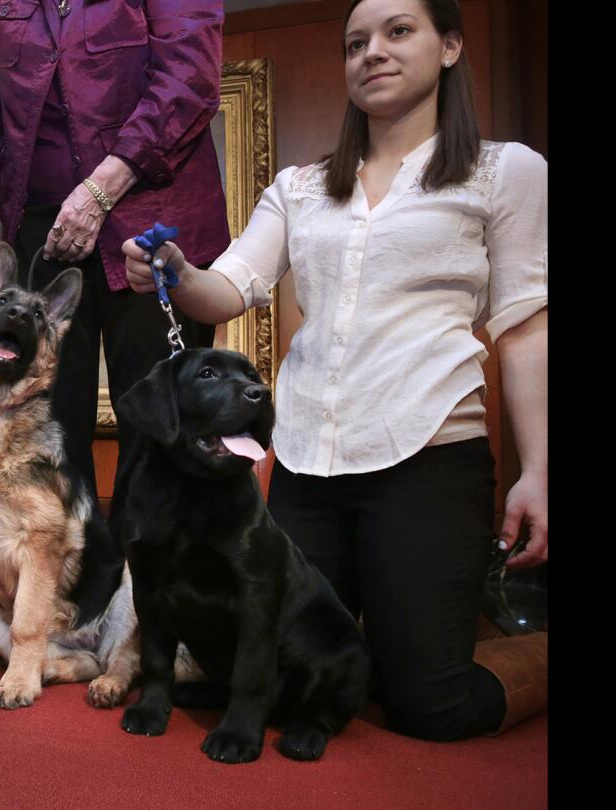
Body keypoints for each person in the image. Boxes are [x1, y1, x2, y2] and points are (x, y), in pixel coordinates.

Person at [121, 0, 548, 740]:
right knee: (283, 675)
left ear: (449, 46)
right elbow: (229, 286)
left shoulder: (503, 171)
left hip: (429, 457)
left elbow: (526, 327)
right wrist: (172, 270)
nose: (372, 53)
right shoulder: (302, 186)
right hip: (309, 463)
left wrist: (539, 467)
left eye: (397, 32)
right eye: (356, 43)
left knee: (430, 707)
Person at [0, 0, 231, 536]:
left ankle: (152, 594)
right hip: (41, 229)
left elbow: (189, 79)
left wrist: (99, 191)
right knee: (49, 420)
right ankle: (75, 593)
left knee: (159, 417)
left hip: (152, 223)